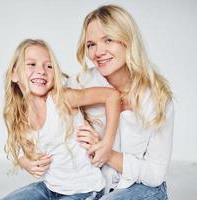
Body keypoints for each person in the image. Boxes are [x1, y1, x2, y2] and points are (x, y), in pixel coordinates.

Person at [67, 4, 174, 200]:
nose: (98, 52)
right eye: (91, 44)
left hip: (142, 189)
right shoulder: (78, 84)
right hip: (91, 187)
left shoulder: (158, 98)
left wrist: (106, 151)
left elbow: (154, 174)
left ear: (127, 40)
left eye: (108, 39)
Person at [1, 39, 121, 200]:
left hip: (84, 190)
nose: (42, 71)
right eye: (31, 64)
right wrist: (25, 162)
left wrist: (106, 143)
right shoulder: (19, 115)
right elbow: (22, 150)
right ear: (14, 74)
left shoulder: (61, 99)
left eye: (49, 66)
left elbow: (111, 95)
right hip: (50, 188)